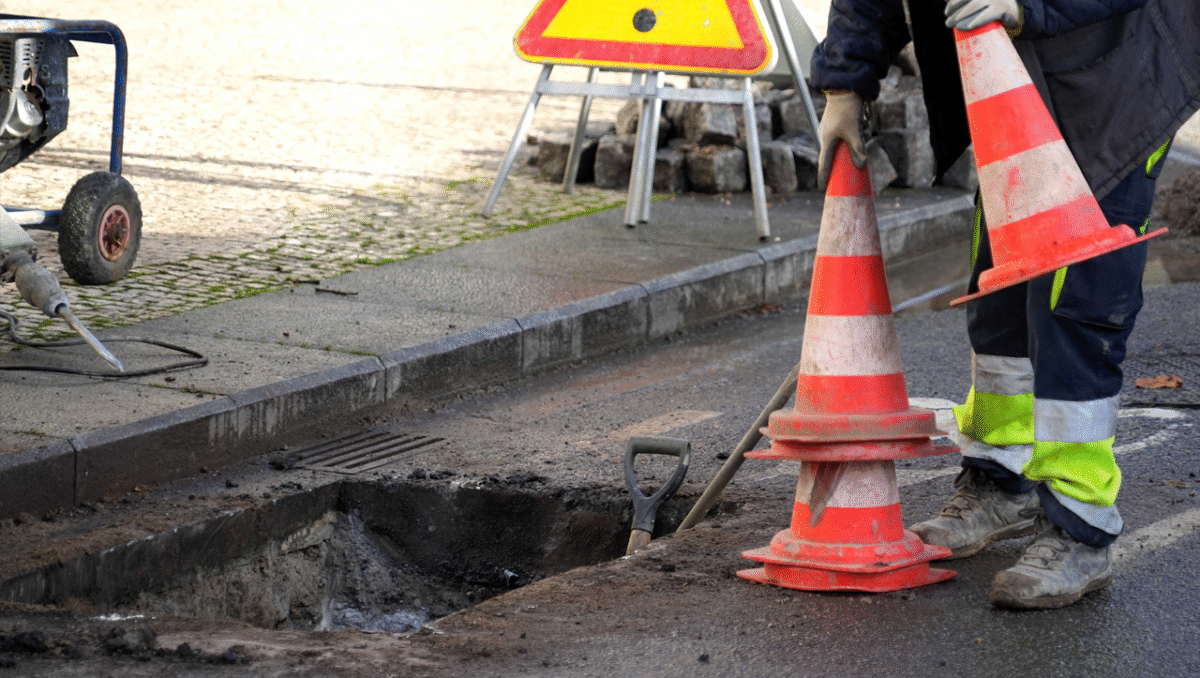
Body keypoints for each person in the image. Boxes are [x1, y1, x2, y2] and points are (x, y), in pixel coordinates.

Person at [810, 0, 1200, 609]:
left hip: (1118, 82)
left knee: (1079, 303)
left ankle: (1079, 523)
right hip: (1009, 81)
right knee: (1002, 290)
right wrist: (844, 83)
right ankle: (1000, 477)